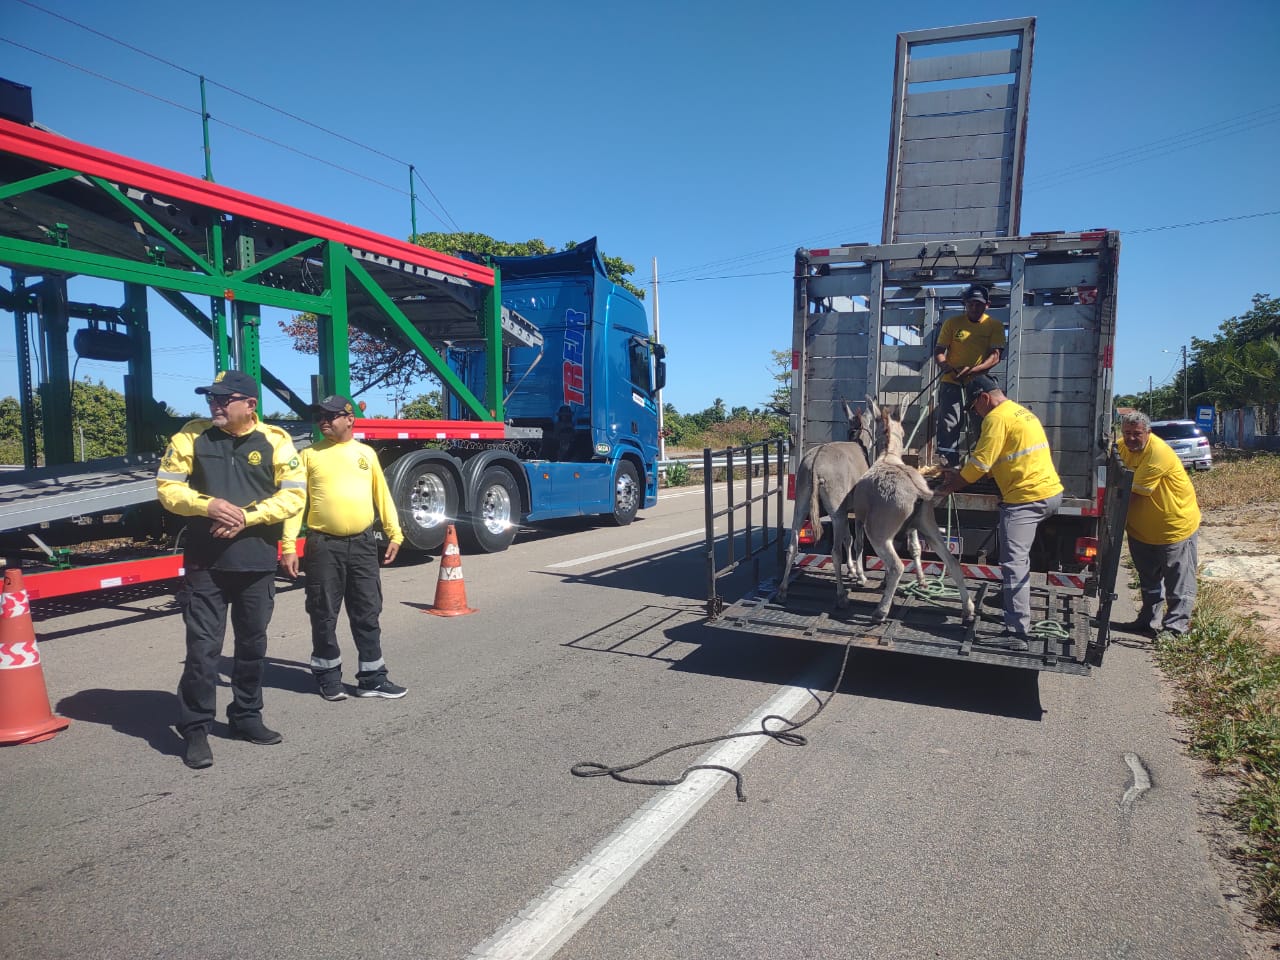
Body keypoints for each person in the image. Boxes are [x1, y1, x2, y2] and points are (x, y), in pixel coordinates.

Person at [157, 370, 307, 769]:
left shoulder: (276, 440)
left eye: (224, 399)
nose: (215, 405)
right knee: (203, 649)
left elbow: (294, 497)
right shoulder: (191, 435)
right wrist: (206, 505)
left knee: (252, 645)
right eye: (211, 398)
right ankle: (195, 730)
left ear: (250, 404)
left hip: (256, 560)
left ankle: (246, 716)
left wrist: (247, 516)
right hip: (205, 562)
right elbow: (167, 489)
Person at [280, 395, 407, 701]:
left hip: (363, 544)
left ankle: (372, 679)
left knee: (367, 611)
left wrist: (395, 533)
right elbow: (295, 504)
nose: (324, 421)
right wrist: (287, 545)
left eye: (330, 416)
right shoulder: (308, 455)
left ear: (350, 418)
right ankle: (327, 675)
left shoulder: (366, 454)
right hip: (323, 546)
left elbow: (382, 496)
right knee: (323, 612)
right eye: (319, 417)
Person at [934, 374, 1063, 650]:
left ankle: (1017, 633)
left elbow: (980, 463)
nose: (975, 414)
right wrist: (965, 473)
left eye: (973, 408)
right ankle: (1013, 600)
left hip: (1026, 500)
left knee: (1013, 564)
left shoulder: (995, 418)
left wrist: (951, 485)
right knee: (1018, 562)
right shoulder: (1020, 412)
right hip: (1050, 493)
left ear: (984, 398)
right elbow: (997, 458)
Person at [1115, 411, 1201, 637]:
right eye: (1127, 433)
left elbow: (1131, 495)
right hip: (1141, 531)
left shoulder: (1158, 452)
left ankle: (1175, 629)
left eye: (1137, 434)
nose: (1131, 438)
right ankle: (1146, 621)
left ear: (1148, 432)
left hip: (1173, 529)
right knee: (1149, 580)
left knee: (1178, 582)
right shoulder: (1122, 447)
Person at [933, 284, 1006, 466]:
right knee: (949, 424)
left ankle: (982, 469)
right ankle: (949, 467)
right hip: (952, 381)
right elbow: (940, 350)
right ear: (965, 304)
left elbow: (996, 356)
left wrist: (974, 370)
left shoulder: (994, 326)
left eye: (978, 304)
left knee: (982, 425)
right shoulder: (952, 323)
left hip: (978, 383)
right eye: (970, 304)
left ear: (987, 305)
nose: (974, 308)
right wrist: (945, 365)